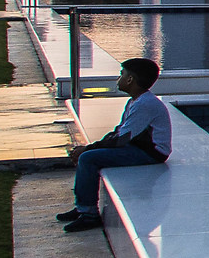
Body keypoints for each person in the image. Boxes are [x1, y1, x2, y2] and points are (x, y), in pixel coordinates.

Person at [56, 58, 169, 232]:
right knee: (90, 154)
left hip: (151, 153)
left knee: (88, 158)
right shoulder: (136, 101)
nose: (118, 79)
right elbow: (119, 132)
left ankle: (89, 214)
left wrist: (88, 149)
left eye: (121, 74)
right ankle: (82, 207)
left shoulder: (145, 104)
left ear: (130, 79)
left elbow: (120, 139)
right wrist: (95, 146)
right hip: (138, 146)